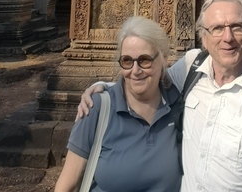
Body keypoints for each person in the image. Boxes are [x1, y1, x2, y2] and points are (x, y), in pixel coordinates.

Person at [78, 0, 242, 191]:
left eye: (237, 27)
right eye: (217, 29)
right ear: (204, 37)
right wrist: (103, 89)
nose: (228, 38)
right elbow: (148, 78)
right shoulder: (191, 67)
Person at [55, 16, 182, 192]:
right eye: (127, 61)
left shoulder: (179, 107)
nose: (135, 71)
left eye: (145, 60)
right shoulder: (97, 108)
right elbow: (68, 185)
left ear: (164, 59)